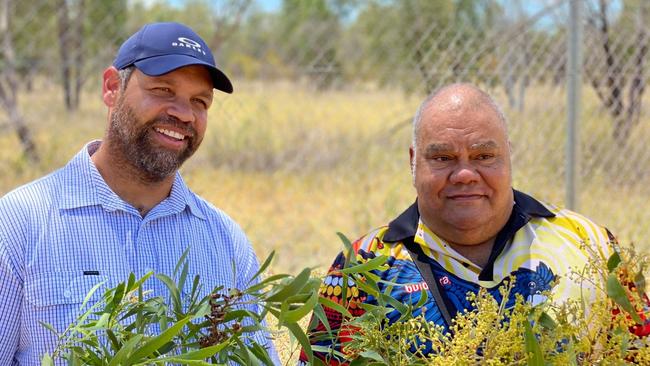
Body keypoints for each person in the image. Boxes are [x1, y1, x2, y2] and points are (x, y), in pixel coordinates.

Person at [0, 22, 278, 364]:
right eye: (163, 90)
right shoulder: (18, 224)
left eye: (200, 101)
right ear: (112, 87)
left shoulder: (227, 242)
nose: (183, 113)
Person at [299, 83, 622, 365]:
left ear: (508, 156)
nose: (465, 175)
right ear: (414, 161)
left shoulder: (589, 245)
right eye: (443, 159)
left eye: (484, 156)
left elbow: (637, 349)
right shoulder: (367, 265)